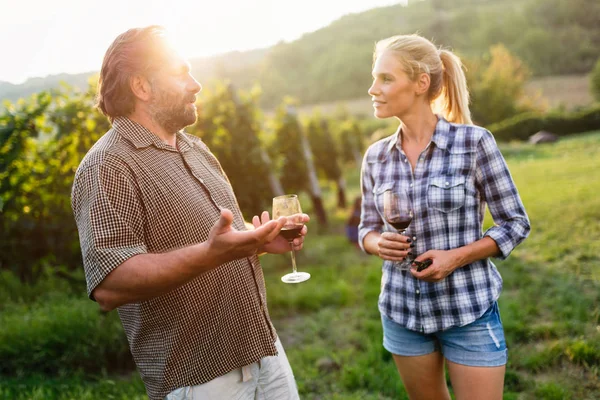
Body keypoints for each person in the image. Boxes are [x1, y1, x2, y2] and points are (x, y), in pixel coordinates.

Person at [71, 26, 307, 400]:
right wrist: (213, 253)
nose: (196, 84)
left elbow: (218, 246)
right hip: (201, 379)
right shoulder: (108, 165)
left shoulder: (195, 149)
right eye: (181, 73)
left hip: (264, 349)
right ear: (142, 87)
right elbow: (110, 284)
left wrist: (257, 244)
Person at [358, 34, 531, 400]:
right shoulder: (375, 156)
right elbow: (366, 229)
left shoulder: (475, 143)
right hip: (402, 312)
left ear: (421, 83)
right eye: (375, 78)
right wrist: (378, 244)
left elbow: (515, 223)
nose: (373, 89)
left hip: (467, 309)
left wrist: (455, 258)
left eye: (386, 78)